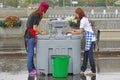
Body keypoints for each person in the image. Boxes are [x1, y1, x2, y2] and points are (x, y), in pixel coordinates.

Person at [69, 7, 96, 75]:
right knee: (86, 55)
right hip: (90, 38)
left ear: (79, 13)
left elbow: (80, 31)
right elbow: (82, 30)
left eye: (76, 14)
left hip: (90, 38)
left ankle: (93, 71)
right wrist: (74, 30)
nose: (76, 15)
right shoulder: (84, 19)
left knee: (90, 55)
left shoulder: (82, 20)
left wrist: (73, 33)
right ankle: (83, 69)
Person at [24, 1, 49, 75]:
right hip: (30, 36)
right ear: (43, 11)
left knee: (30, 53)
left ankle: (33, 68)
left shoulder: (34, 14)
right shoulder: (37, 16)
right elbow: (35, 28)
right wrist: (41, 32)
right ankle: (30, 70)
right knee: (30, 54)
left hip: (28, 35)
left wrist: (39, 30)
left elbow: (32, 27)